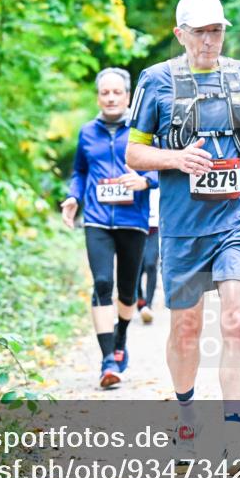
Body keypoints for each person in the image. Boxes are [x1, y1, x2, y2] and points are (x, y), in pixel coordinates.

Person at [126, 0, 240, 478]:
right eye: (201, 31)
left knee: (236, 323)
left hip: (237, 221)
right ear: (180, 35)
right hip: (183, 228)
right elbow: (133, 153)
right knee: (185, 329)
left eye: (217, 30)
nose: (211, 40)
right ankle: (187, 416)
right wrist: (175, 159)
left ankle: (235, 443)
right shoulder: (155, 81)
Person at [62, 67, 157, 389]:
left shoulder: (142, 130)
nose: (111, 98)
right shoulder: (88, 132)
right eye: (105, 93)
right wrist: (73, 196)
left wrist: (145, 180)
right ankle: (107, 362)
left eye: (117, 92)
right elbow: (79, 171)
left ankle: (120, 338)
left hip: (133, 220)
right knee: (102, 283)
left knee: (128, 292)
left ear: (128, 96)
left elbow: (162, 169)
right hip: (97, 219)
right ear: (98, 97)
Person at [136, 188, 160, 323]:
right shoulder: (136, 175)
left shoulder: (160, 177)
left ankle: (148, 305)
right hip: (137, 226)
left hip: (155, 228)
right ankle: (140, 299)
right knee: (136, 268)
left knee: (150, 264)